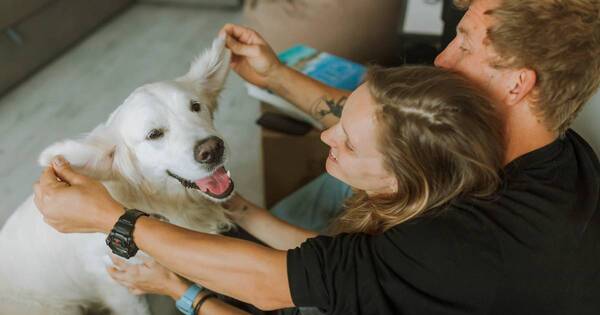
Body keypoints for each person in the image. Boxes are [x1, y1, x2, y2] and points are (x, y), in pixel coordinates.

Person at [34, 0, 600, 314]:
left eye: (468, 44)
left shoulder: (462, 247)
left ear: (517, 84)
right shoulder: (555, 151)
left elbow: (274, 285)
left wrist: (119, 223)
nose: (446, 56)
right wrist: (277, 77)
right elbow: (390, 130)